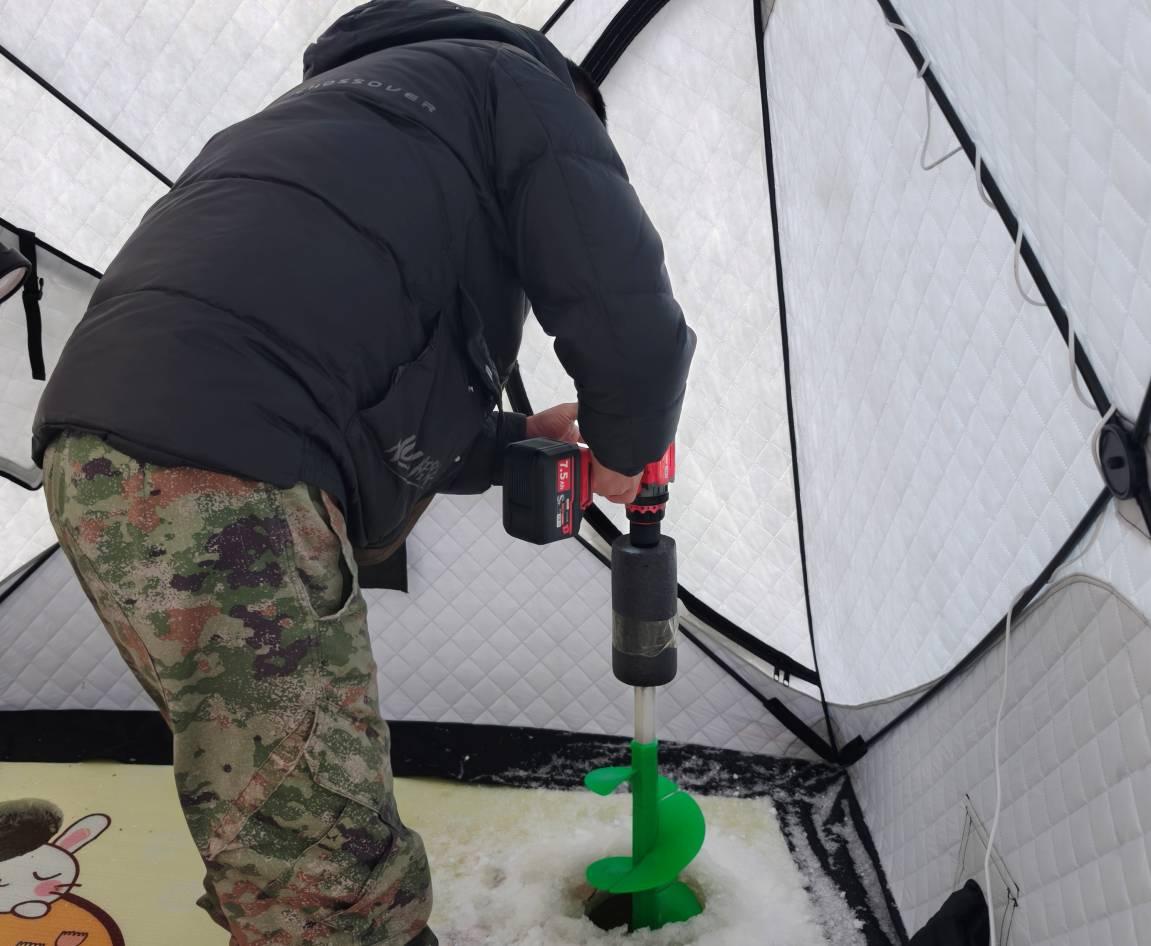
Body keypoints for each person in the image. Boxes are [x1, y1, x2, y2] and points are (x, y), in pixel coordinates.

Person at [31, 1, 695, 943]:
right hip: (226, 482)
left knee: (265, 800)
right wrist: (629, 453)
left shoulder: (325, 117)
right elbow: (626, 314)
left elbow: (354, 386)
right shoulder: (523, 88)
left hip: (95, 460)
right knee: (330, 876)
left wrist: (510, 441)